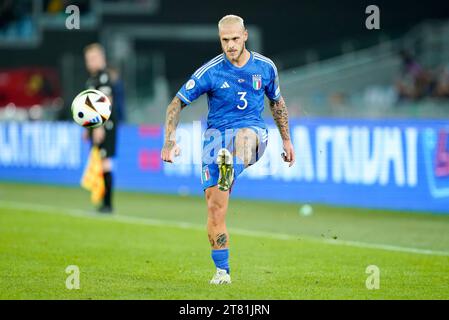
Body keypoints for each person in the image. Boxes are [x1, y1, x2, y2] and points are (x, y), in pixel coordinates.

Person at [161, 15, 295, 284]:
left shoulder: (265, 67)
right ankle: (222, 272)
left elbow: (277, 104)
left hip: (252, 132)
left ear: (245, 36)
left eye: (235, 39)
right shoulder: (210, 72)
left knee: (244, 137)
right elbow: (176, 104)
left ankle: (230, 168)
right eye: (225, 40)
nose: (231, 45)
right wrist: (169, 141)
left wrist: (287, 140)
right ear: (220, 39)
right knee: (215, 209)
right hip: (215, 141)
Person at [84, 43, 118, 213]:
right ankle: (103, 202)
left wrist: (99, 126)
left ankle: (108, 204)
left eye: (93, 58)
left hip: (105, 125)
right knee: (100, 162)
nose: (90, 62)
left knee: (105, 163)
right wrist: (87, 128)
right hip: (96, 125)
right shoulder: (93, 78)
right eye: (88, 59)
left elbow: (106, 101)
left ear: (101, 58)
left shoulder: (104, 76)